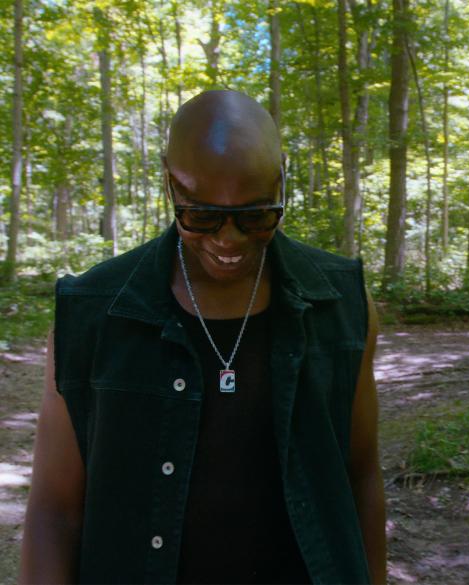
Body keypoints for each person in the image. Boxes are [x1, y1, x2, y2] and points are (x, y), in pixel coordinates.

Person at [20, 90, 386, 584]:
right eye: (202, 216)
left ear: (281, 180)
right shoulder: (92, 314)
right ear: (171, 185)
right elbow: (54, 511)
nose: (228, 239)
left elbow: (360, 476)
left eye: (256, 215)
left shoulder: (341, 305)